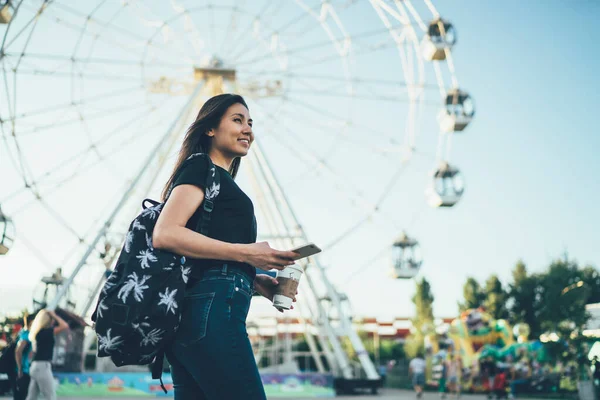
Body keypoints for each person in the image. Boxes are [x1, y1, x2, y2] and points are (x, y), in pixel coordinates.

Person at [152, 93, 299, 400]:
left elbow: (201, 260)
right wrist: (249, 252)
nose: (248, 129)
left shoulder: (219, 181)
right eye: (237, 120)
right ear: (209, 129)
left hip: (197, 311)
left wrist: (257, 282)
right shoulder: (200, 169)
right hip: (212, 312)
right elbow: (165, 233)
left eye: (250, 123)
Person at [25, 309, 69, 400]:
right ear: (48, 320)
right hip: (43, 366)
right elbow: (65, 325)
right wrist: (54, 315)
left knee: (31, 397)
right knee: (50, 396)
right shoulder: (47, 332)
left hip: (34, 366)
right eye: (51, 318)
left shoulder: (37, 332)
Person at [13, 315, 35, 400]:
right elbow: (18, 351)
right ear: (30, 322)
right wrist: (19, 369)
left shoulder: (23, 333)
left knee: (22, 395)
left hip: (24, 369)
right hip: (23, 370)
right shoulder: (27, 335)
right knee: (22, 395)